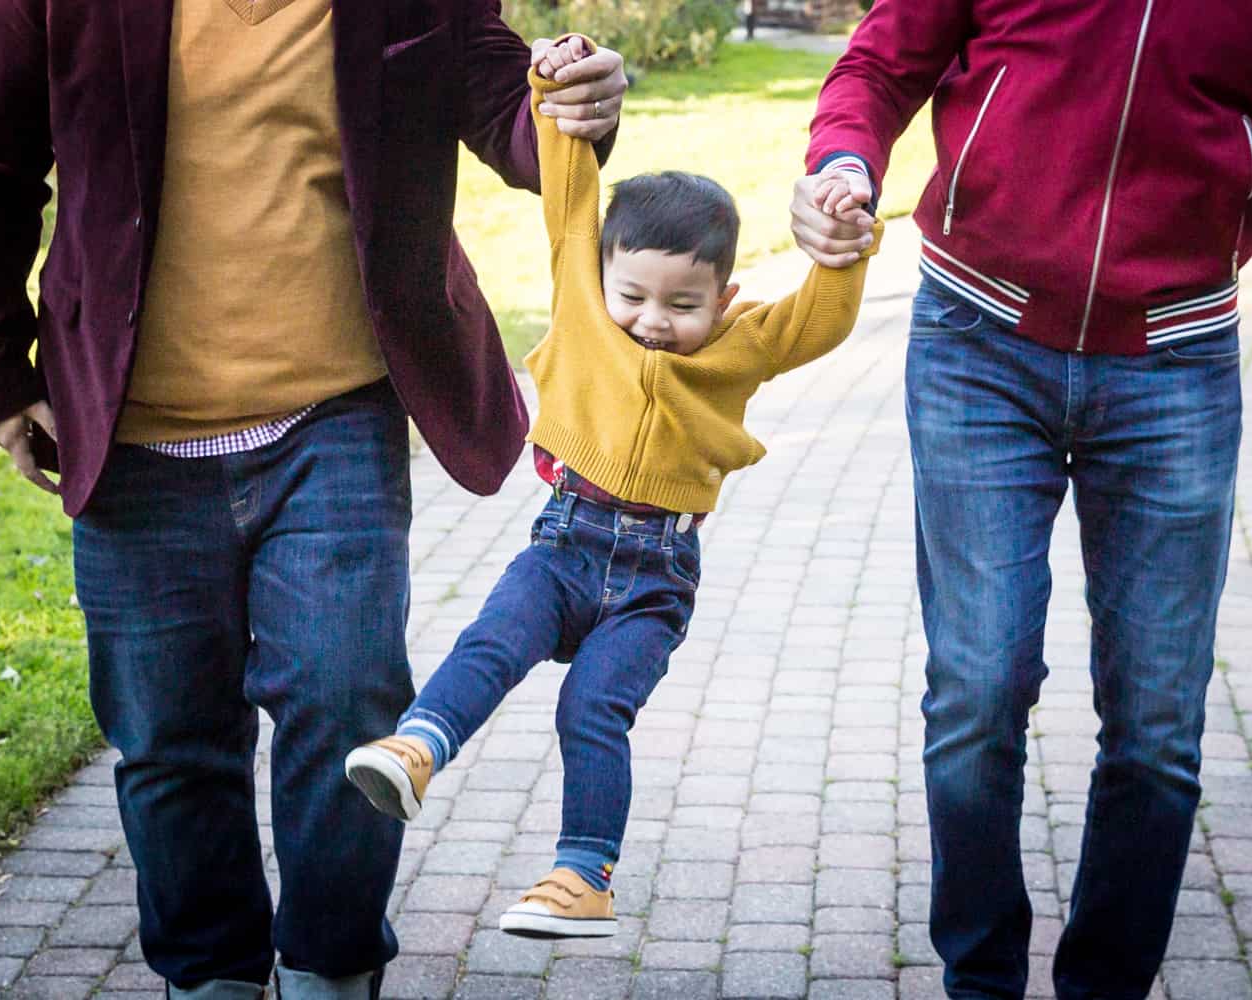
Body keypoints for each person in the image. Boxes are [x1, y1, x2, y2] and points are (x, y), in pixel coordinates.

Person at [0, 2, 627, 997]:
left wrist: (569, 103)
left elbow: (502, 103)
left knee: (350, 701)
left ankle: (329, 968)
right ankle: (210, 977)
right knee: (169, 742)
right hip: (133, 431)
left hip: (331, 417)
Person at [789, 2, 1252, 998]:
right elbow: (880, 61)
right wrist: (845, 161)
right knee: (979, 686)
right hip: (978, 335)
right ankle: (980, 979)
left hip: (1177, 358)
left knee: (1159, 727)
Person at [343, 34, 881, 940]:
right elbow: (570, 195)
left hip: (656, 578)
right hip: (564, 544)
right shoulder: (584, 298)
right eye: (634, 295)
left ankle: (582, 876)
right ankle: (418, 747)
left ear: (724, 296)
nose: (653, 322)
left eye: (683, 305)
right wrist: (551, 82)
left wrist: (843, 244)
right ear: (602, 278)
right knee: (492, 643)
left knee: (592, 708)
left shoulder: (740, 346)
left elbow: (817, 323)